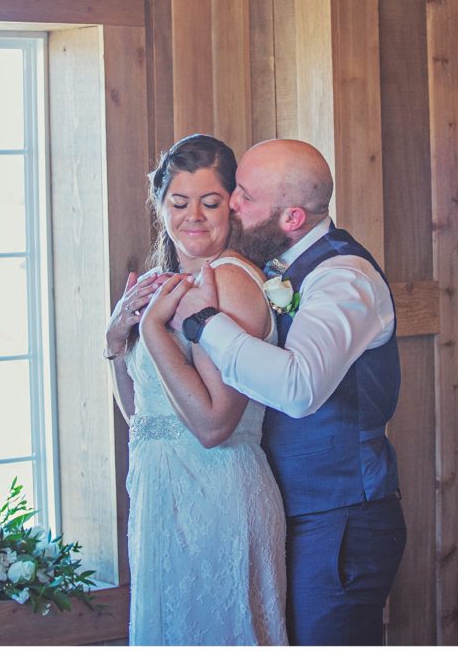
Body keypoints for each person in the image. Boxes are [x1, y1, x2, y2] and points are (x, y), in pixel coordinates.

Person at [164, 138, 407, 647]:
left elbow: (299, 389)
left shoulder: (344, 279)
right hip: (282, 510)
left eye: (246, 197)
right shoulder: (276, 268)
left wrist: (203, 322)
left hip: (341, 517)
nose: (231, 203)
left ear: (292, 218)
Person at [103, 134, 287, 647]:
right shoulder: (160, 284)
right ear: (160, 205)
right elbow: (144, 419)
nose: (194, 217)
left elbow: (213, 425)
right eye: (180, 202)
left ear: (233, 204)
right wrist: (115, 342)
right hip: (159, 499)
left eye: (210, 202)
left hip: (218, 494)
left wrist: (153, 333)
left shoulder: (231, 282)